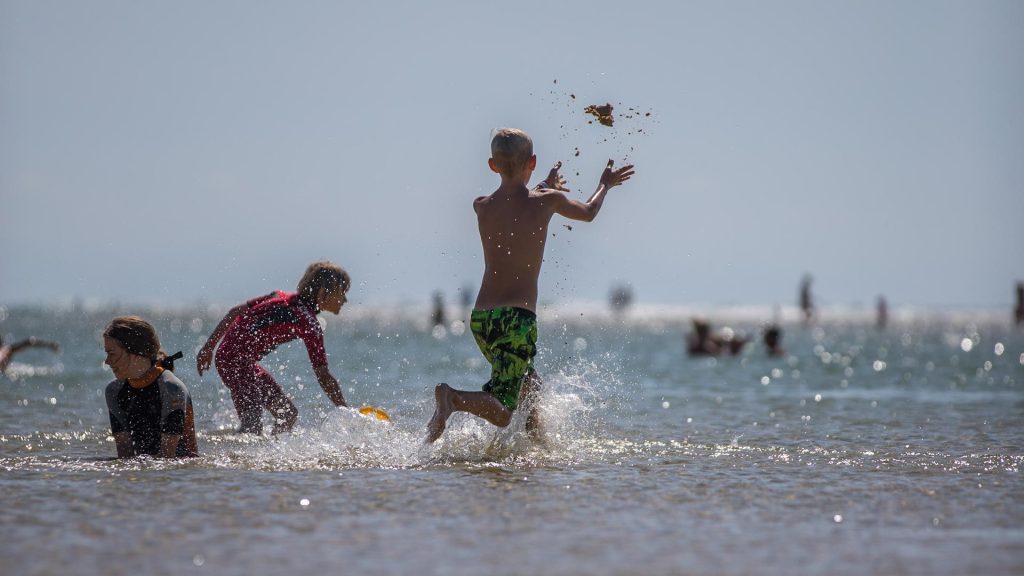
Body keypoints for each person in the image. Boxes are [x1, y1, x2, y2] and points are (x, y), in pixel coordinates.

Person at [426, 127, 635, 443]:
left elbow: (517, 204)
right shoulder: (547, 201)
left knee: (530, 386)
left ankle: (538, 454)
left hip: (482, 319)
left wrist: (542, 186)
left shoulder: (482, 206)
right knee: (504, 410)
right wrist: (604, 185)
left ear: (492, 165)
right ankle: (453, 398)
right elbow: (589, 212)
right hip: (516, 321)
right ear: (533, 161)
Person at [197, 261, 350, 434]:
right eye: (342, 293)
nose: (345, 299)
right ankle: (236, 458)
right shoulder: (308, 323)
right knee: (252, 422)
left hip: (240, 361)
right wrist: (344, 409)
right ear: (323, 294)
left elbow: (234, 312)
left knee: (288, 414)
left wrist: (208, 349)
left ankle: (267, 454)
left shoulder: (278, 295)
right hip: (235, 362)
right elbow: (322, 374)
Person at [103, 316, 198, 458]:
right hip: (145, 470)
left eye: (112, 354)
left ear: (136, 354)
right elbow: (124, 456)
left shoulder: (172, 389)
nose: (107, 361)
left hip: (179, 475)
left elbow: (168, 458)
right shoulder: (114, 392)